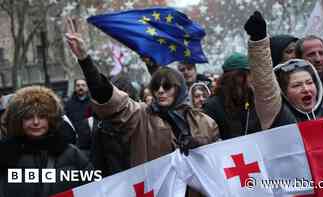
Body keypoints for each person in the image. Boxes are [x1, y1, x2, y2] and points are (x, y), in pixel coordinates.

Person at [65, 18, 218, 197]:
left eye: (167, 86)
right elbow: (109, 97)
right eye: (156, 87)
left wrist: (200, 147)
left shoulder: (205, 122)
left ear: (180, 89)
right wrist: (84, 59)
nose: (160, 91)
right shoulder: (141, 116)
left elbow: (218, 161)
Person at [244, 11, 323, 130]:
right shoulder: (277, 115)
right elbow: (265, 87)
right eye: (296, 85)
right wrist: (258, 42)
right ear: (284, 91)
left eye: (309, 82)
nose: (306, 89)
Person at [0, 86, 92, 197]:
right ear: (18, 121)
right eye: (28, 117)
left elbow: (93, 188)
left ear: (51, 119)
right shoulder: (4, 154)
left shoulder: (71, 153)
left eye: (42, 116)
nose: (35, 122)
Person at [203, 52, 262, 139]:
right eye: (249, 74)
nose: (252, 79)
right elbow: (208, 139)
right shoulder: (212, 106)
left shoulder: (254, 101)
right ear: (236, 77)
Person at [64, 79, 92, 156]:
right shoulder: (69, 104)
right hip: (75, 143)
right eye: (78, 85)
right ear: (75, 88)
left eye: (83, 85)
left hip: (91, 143)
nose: (80, 87)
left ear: (87, 87)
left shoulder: (93, 103)